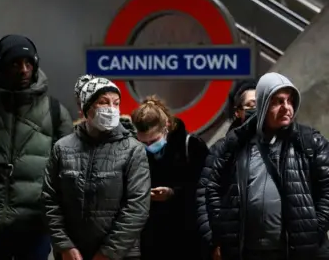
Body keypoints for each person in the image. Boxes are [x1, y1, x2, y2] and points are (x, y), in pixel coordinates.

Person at [0, 34, 73, 260]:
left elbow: (70, 172)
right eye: (15, 63)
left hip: (35, 226)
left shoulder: (56, 112)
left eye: (28, 63)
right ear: (0, 67)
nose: (24, 69)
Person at [205, 72, 329, 260]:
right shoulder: (235, 144)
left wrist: (313, 231)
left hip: (297, 252)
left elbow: (327, 190)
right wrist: (223, 234)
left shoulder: (310, 142)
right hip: (248, 252)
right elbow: (213, 188)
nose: (286, 108)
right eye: (278, 101)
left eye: (290, 101)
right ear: (262, 105)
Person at [42, 77, 151, 260]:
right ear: (86, 107)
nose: (111, 108)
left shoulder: (133, 149)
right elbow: (49, 199)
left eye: (116, 103)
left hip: (120, 255)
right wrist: (64, 245)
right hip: (73, 254)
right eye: (103, 102)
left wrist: (107, 253)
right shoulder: (62, 148)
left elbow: (137, 206)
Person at [130, 95, 209, 260]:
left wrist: (173, 193)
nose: (149, 147)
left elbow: (205, 189)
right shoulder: (136, 150)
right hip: (151, 237)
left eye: (154, 140)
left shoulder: (192, 146)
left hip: (187, 235)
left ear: (166, 125)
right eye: (144, 143)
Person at [196, 80, 257, 259]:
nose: (258, 110)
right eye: (251, 105)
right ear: (238, 112)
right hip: (233, 245)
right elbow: (203, 197)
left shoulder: (283, 145)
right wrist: (214, 241)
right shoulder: (221, 150)